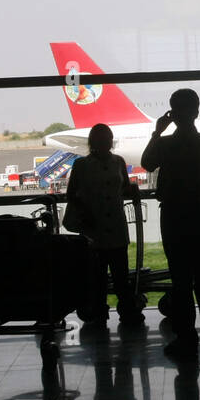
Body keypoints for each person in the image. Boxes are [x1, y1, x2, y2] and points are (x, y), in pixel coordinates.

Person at [141, 89, 200, 360]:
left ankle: (186, 338)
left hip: (174, 217)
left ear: (172, 114)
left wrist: (158, 131)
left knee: (181, 282)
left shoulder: (164, 146)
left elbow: (146, 163)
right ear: (197, 112)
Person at [66, 122, 143, 326]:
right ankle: (102, 312)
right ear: (94, 142)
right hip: (94, 228)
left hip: (115, 225)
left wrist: (132, 189)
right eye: (103, 138)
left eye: (108, 138)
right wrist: (85, 214)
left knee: (121, 275)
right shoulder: (81, 165)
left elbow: (123, 188)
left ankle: (123, 311)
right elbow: (71, 194)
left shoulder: (119, 162)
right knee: (97, 276)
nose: (106, 142)